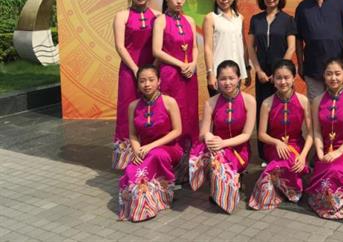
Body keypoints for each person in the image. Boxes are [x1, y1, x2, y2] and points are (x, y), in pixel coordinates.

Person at [188, 60, 256, 214]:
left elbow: (246, 135)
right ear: (217, 80)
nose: (227, 82)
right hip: (216, 147)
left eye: (231, 78)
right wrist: (209, 136)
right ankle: (217, 186)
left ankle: (225, 190)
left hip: (239, 150)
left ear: (239, 78)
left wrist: (223, 143)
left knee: (217, 156)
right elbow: (203, 133)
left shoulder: (249, 101)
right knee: (206, 153)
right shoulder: (211, 102)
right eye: (223, 79)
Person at [118, 65, 182, 222]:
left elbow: (177, 131)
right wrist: (137, 151)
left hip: (169, 149)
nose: (147, 84)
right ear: (138, 84)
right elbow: (133, 134)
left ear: (159, 81)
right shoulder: (133, 106)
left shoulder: (169, 102)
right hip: (145, 150)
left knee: (155, 155)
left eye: (151, 80)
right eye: (142, 81)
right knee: (131, 169)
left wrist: (149, 147)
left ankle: (159, 198)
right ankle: (142, 203)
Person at [248, 60, 313, 210]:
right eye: (278, 78)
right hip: (274, 147)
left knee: (293, 162)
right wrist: (277, 142)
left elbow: (311, 133)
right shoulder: (267, 103)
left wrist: (303, 156)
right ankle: (285, 185)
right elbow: (261, 135)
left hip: (297, 145)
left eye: (286, 77)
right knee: (288, 163)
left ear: (294, 78)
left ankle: (277, 180)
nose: (283, 82)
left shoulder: (303, 101)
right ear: (273, 79)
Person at [306, 58, 343, 219]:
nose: (333, 78)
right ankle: (329, 201)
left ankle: (340, 202)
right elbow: (317, 131)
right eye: (329, 74)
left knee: (335, 170)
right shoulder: (317, 100)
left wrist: (339, 152)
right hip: (325, 150)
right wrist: (319, 152)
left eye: (338, 74)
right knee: (324, 170)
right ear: (323, 76)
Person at [112, 0, 160, 169]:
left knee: (154, 110)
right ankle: (127, 158)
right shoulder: (121, 16)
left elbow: (160, 46)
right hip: (129, 70)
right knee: (128, 110)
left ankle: (151, 154)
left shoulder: (158, 16)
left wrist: (153, 69)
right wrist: (135, 69)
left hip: (153, 70)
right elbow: (120, 46)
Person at [248, 0, 296, 162]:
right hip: (262, 74)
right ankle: (264, 154)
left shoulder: (288, 19)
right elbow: (251, 47)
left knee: (282, 111)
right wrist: (258, 70)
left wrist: (279, 73)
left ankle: (286, 149)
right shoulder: (256, 19)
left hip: (282, 75)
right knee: (264, 109)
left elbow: (291, 47)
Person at [152, 0, 199, 152]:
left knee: (190, 110)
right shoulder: (160, 20)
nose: (179, 1)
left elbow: (195, 47)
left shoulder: (190, 20)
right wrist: (181, 64)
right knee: (173, 110)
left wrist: (193, 64)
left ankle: (191, 150)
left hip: (190, 73)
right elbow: (157, 51)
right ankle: (172, 150)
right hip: (170, 74)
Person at [203, 0, 250, 97]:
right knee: (218, 107)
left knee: (234, 106)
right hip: (219, 75)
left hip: (236, 74)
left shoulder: (240, 18)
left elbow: (243, 46)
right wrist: (210, 73)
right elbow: (208, 48)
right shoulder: (211, 18)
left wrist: (247, 69)